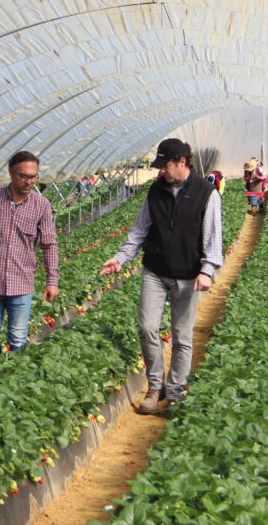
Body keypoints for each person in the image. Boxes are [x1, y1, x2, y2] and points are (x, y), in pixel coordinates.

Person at [100, 138, 223, 413]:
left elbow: (214, 239)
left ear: (181, 162)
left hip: (189, 276)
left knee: (182, 336)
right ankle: (156, 386)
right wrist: (120, 258)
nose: (162, 171)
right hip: (155, 270)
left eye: (165, 165)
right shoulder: (155, 191)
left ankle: (176, 392)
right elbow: (140, 230)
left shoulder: (206, 193)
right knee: (146, 328)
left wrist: (206, 271)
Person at [0, 152, 59, 368]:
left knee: (17, 341)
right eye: (24, 176)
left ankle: (10, 380)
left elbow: (49, 244)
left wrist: (52, 280)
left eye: (33, 177)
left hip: (22, 284)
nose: (29, 182)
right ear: (10, 173)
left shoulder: (41, 205)